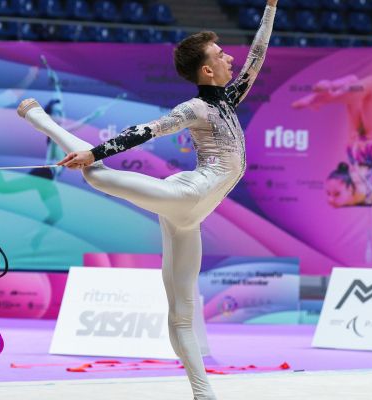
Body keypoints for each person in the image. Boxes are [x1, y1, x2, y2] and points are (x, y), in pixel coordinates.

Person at [17, 2, 277, 398]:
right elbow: (147, 130)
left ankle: (202, 393)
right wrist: (95, 151)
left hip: (189, 218)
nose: (231, 58)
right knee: (94, 172)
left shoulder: (228, 100)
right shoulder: (197, 108)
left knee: (182, 313)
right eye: (221, 55)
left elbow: (257, 56)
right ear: (207, 71)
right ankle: (41, 121)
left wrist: (271, 6)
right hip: (183, 194)